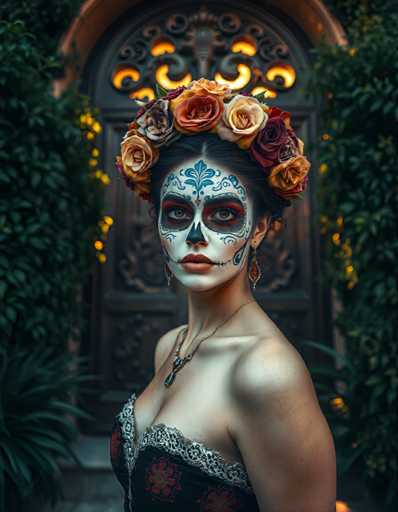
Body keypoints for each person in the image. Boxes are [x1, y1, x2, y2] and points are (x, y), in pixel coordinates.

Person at [110, 78, 336, 511]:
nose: (196, 235)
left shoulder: (268, 375)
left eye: (224, 214)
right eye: (177, 212)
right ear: (157, 221)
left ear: (260, 228)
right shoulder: (169, 346)